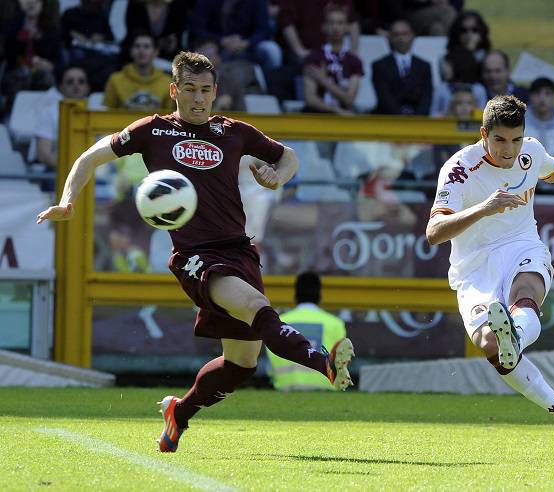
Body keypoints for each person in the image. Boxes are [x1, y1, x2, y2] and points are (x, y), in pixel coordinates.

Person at [36, 50, 355, 453]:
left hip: (239, 251)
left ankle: (178, 415)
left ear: (215, 92)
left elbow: (287, 157)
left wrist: (278, 177)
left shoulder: (233, 131)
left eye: (206, 90)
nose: (199, 98)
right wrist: (68, 201)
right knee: (258, 307)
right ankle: (320, 360)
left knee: (241, 364)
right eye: (190, 89)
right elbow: (89, 156)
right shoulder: (152, 131)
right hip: (195, 255)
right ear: (174, 90)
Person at [425, 95, 554, 455]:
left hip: (522, 245)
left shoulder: (530, 152)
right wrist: (483, 208)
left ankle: (516, 336)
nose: (509, 150)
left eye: (516, 139)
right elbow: (434, 231)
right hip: (474, 265)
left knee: (527, 295)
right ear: (484, 135)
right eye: (500, 140)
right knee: (493, 348)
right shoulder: (460, 168)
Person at [267, 272, 347, 391]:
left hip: (286, 389)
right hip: (326, 391)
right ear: (320, 295)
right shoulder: (335, 324)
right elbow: (342, 364)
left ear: (295, 295)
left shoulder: (279, 322)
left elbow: (271, 366)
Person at [302, 4, 363, 115]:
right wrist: (336, 111)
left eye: (340, 23)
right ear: (324, 27)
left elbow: (349, 99)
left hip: (345, 120)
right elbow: (310, 99)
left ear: (347, 27)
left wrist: (323, 80)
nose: (335, 27)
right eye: (331, 23)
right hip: (316, 116)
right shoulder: (313, 58)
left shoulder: (354, 61)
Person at [34, 65, 91, 170]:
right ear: (61, 87)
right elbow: (43, 155)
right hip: (58, 171)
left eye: (81, 81)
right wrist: (73, 169)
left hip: (93, 173)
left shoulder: (98, 113)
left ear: (88, 87)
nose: (76, 85)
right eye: (70, 81)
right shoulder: (48, 113)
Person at [371, 19, 432, 116]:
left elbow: (427, 97)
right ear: (390, 37)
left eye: (404, 34)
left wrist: (417, 119)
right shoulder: (379, 65)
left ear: (412, 35)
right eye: (396, 34)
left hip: (418, 121)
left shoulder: (424, 66)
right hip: (389, 119)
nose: (400, 38)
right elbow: (384, 97)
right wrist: (401, 118)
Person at [102, 31, 173, 111]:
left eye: (146, 46)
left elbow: (169, 117)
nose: (141, 50)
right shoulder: (115, 80)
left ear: (155, 52)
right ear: (131, 51)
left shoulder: (167, 82)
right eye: (137, 46)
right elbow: (107, 112)